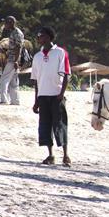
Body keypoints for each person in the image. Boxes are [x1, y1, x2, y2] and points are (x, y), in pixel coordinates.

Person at [31, 26, 71, 166]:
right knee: (45, 126)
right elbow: (36, 81)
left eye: (40, 35)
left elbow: (66, 75)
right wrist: (36, 101)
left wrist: (61, 94)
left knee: (60, 125)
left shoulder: (60, 53)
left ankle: (66, 155)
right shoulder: (37, 57)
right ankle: (50, 155)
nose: (38, 38)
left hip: (56, 96)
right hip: (43, 97)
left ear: (48, 37)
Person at [0, 16, 24, 105]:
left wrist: (16, 61)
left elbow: (18, 47)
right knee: (13, 81)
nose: (4, 25)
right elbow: (15, 47)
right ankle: (15, 101)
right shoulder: (13, 32)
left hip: (13, 60)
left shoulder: (16, 33)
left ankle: (4, 100)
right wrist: (6, 51)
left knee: (4, 79)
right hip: (13, 58)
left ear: (11, 22)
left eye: (5, 23)